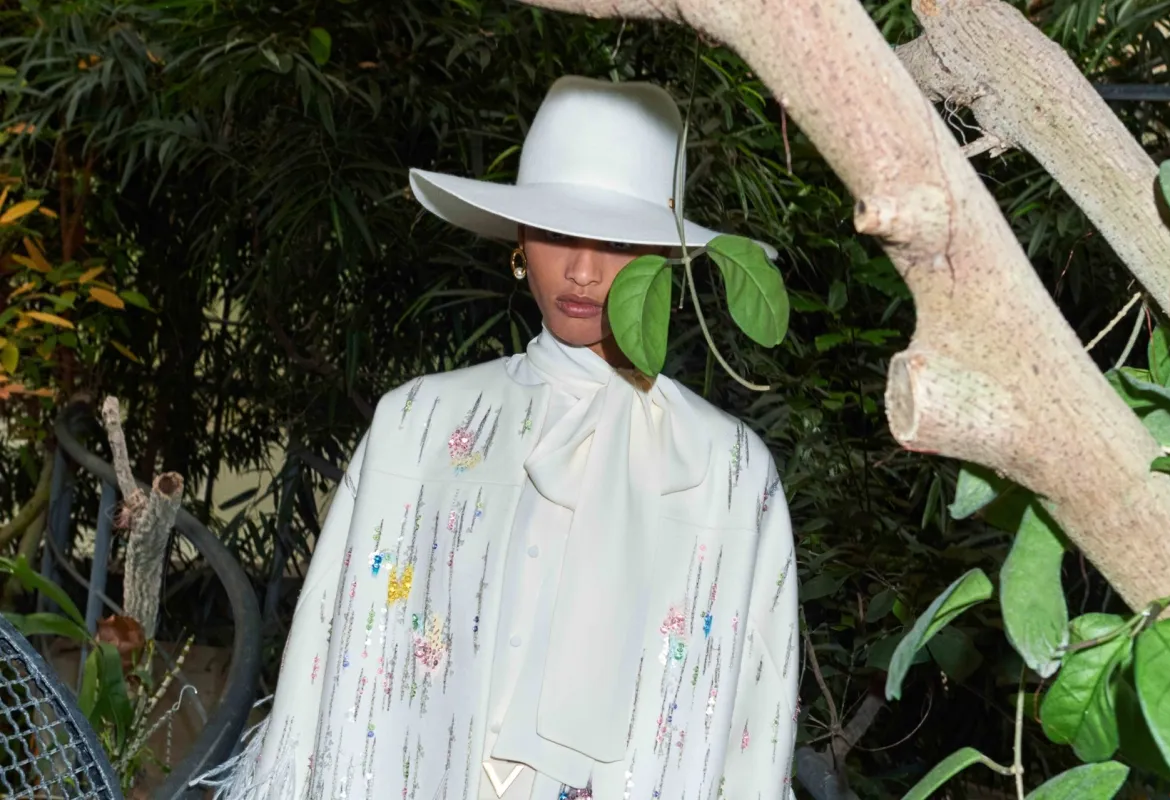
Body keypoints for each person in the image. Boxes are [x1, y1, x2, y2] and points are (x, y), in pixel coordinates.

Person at [198, 74, 800, 800]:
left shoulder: (726, 469)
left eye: (616, 240)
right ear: (519, 240)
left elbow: (754, 719)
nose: (582, 271)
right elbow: (334, 660)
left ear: (663, 255)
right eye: (556, 232)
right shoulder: (419, 426)